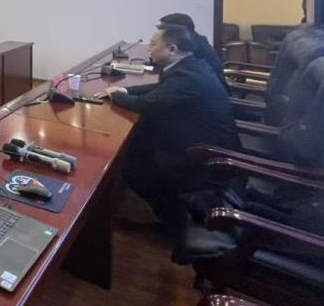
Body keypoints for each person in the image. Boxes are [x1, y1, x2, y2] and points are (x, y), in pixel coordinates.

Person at [95, 24, 240, 227]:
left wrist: (115, 95)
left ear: (172, 49)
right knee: (139, 142)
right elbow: (161, 88)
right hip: (202, 141)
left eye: (153, 44)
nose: (149, 49)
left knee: (133, 166)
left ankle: (175, 221)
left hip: (204, 157)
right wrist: (125, 91)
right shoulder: (189, 66)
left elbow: (147, 104)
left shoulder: (187, 76)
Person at [157, 13, 227, 88]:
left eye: (162, 29)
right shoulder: (197, 40)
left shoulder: (191, 47)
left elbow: (175, 79)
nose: (159, 33)